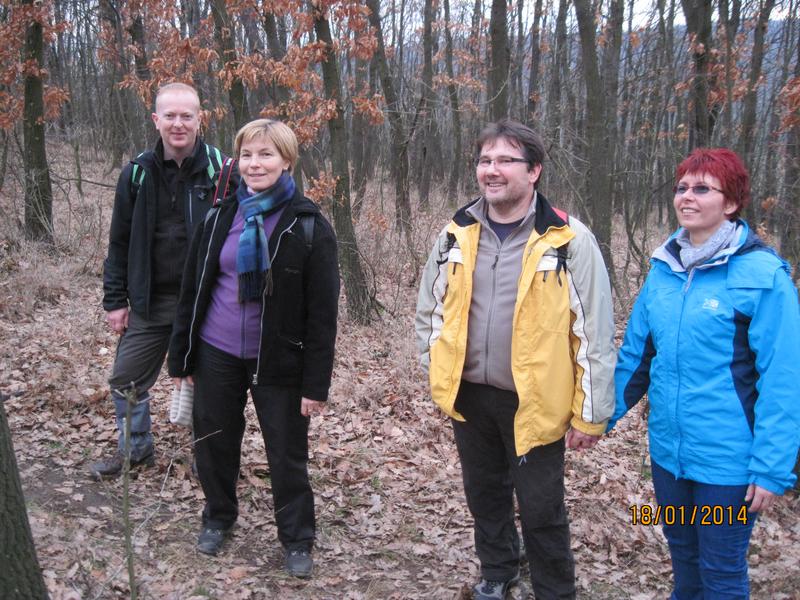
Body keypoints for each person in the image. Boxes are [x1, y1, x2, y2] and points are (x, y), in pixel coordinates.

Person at [415, 119, 616, 600]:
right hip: (470, 395)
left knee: (542, 507)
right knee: (484, 495)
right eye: (485, 160)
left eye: (506, 160)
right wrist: (437, 370)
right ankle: (498, 570)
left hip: (536, 401)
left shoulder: (568, 239)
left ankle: (554, 590)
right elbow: (430, 310)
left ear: (534, 171)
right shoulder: (456, 232)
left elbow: (593, 333)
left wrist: (591, 414)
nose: (492, 170)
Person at [609, 147, 800, 598]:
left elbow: (783, 379)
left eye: (702, 189)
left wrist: (771, 467)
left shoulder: (762, 275)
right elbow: (636, 358)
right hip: (669, 457)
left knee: (721, 571)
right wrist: (597, 418)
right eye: (681, 188)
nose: (687, 197)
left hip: (728, 465)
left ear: (730, 203)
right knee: (683, 558)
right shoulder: (664, 268)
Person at [167, 119, 339, 578]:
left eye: (266, 154)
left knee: (286, 453)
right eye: (246, 155)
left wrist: (315, 385)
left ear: (287, 161)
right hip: (216, 351)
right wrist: (182, 357)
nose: (254, 164)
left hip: (279, 360)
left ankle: (297, 539)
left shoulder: (308, 225)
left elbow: (323, 316)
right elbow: (193, 289)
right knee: (214, 443)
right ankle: (218, 517)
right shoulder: (221, 215)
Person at [91, 82, 234, 479]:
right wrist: (115, 300)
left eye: (186, 115)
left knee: (210, 384)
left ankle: (209, 460)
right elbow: (119, 241)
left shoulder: (223, 172)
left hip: (207, 302)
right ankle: (136, 450)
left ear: (200, 119)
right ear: (156, 120)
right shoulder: (137, 173)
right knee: (126, 379)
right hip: (151, 300)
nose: (178, 124)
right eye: (170, 115)